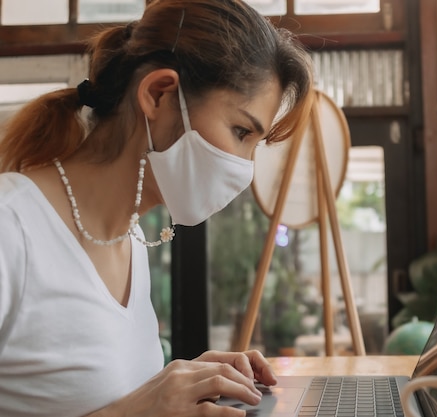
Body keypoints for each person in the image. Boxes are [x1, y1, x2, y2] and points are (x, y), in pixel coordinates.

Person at [0, 0, 313, 416]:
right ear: (158, 94)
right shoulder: (11, 228)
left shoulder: (130, 238)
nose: (244, 168)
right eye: (240, 131)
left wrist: (180, 385)